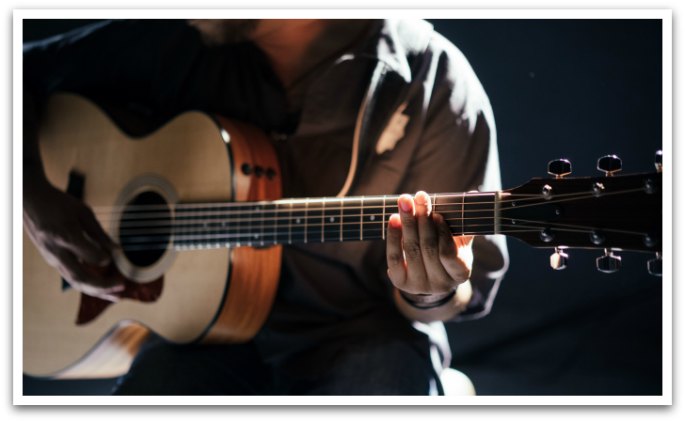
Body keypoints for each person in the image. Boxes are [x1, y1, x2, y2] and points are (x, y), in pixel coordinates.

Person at [23, 19, 508, 395]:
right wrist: (32, 196)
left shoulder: (434, 80)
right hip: (202, 339)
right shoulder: (183, 38)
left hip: (362, 334)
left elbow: (458, 292)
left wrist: (428, 289)